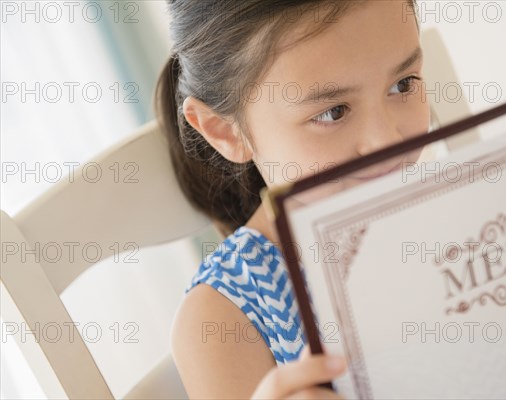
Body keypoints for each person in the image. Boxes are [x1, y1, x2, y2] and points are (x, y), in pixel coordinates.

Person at [158, 0, 430, 398]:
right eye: (334, 112)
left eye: (402, 85)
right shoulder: (225, 317)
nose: (386, 141)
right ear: (225, 132)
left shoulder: (462, 205)